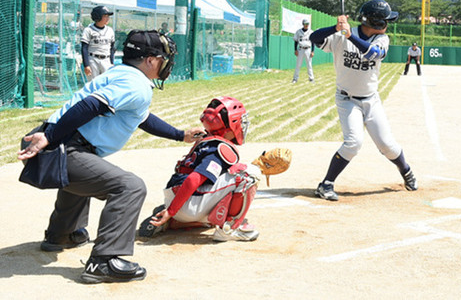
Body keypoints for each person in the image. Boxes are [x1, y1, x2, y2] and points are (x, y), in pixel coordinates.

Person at [18, 30, 204, 284]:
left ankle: (62, 235)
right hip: (58, 146)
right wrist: (50, 137)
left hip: (59, 145)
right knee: (130, 186)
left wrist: (179, 134)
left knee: (88, 171)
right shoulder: (136, 84)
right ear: (150, 59)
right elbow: (90, 106)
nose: (166, 63)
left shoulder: (122, 74)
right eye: (163, 57)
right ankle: (104, 261)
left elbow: (141, 117)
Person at [309, 0, 418, 201]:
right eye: (385, 20)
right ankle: (326, 185)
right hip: (347, 100)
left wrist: (349, 35)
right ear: (375, 22)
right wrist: (336, 28)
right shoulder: (340, 35)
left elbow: (372, 54)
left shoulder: (382, 39)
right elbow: (314, 38)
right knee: (353, 143)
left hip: (371, 100)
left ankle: (407, 172)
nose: (388, 24)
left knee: (387, 145)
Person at [138, 96, 262, 242]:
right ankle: (229, 229)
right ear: (230, 126)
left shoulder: (206, 141)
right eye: (240, 121)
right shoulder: (220, 148)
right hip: (187, 203)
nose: (242, 124)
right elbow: (194, 179)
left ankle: (176, 221)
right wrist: (171, 211)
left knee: (227, 181)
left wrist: (172, 209)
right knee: (249, 174)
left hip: (176, 198)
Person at [81, 5, 116, 79]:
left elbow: (112, 48)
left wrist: (112, 62)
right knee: (93, 84)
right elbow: (84, 48)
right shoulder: (88, 30)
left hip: (106, 60)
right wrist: (86, 65)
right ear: (98, 17)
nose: (108, 18)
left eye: (108, 16)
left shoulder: (110, 30)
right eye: (105, 16)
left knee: (106, 83)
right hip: (93, 59)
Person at [292, 18, 315, 83]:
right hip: (301, 49)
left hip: (308, 49)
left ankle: (311, 78)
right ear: (303, 24)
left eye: (307, 24)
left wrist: (313, 51)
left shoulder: (311, 32)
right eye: (305, 24)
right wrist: (295, 50)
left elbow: (313, 42)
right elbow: (296, 41)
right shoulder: (298, 31)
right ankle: (295, 78)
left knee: (309, 65)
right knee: (298, 64)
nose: (306, 25)